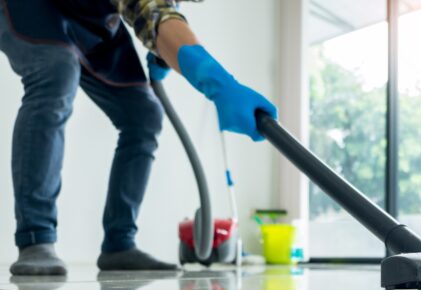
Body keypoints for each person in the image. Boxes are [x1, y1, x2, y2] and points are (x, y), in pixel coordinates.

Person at [0, 0, 277, 276]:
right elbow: (152, 10)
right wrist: (220, 83)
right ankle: (36, 238)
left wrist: (163, 45)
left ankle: (119, 244)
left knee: (144, 114)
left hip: (94, 23)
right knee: (57, 72)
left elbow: (159, 12)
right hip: (30, 7)